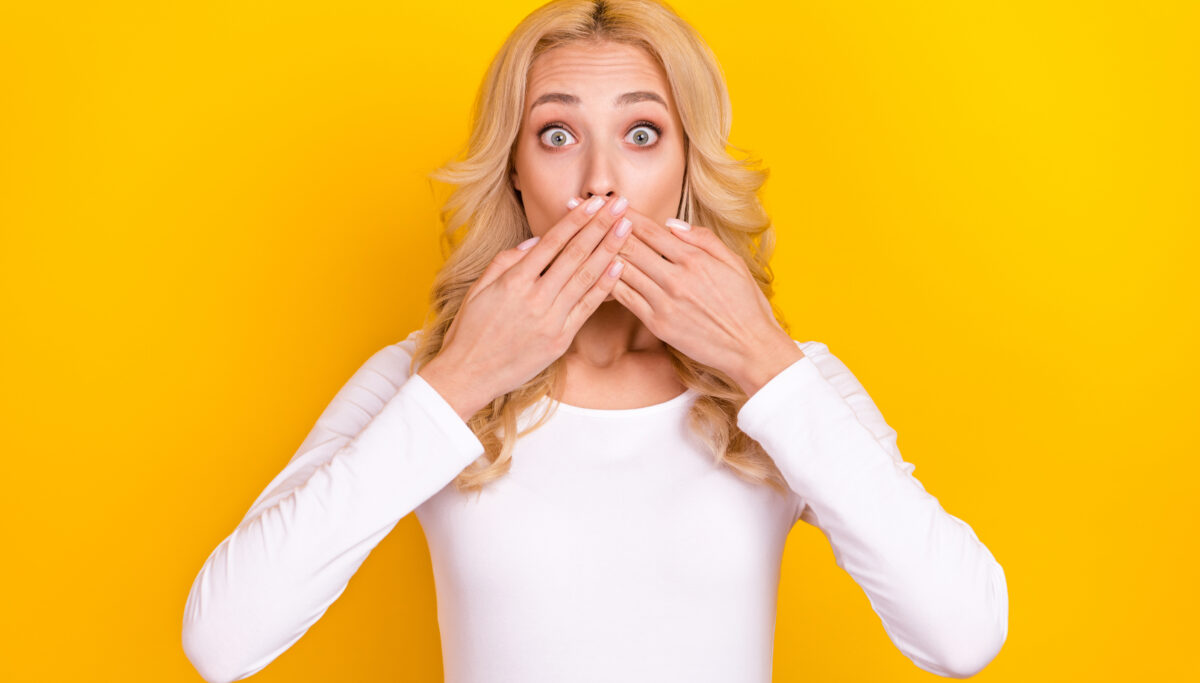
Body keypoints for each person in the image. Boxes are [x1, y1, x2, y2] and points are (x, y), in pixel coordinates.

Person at [181, 1, 1009, 681]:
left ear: (688, 166)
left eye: (643, 134)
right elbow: (222, 641)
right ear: (512, 168)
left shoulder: (783, 382)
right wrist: (459, 379)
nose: (601, 181)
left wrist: (763, 363)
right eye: (557, 134)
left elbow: (963, 634)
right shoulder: (427, 374)